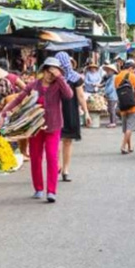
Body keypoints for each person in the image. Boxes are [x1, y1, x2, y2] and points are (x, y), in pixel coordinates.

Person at [0, 57, 73, 203]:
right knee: (36, 157)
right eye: (49, 72)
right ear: (44, 71)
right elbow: (18, 99)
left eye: (54, 73)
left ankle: (51, 191)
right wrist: (4, 111)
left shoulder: (59, 85)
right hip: (34, 127)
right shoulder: (34, 85)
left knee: (52, 157)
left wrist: (60, 78)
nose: (51, 75)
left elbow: (69, 95)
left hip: (53, 125)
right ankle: (38, 188)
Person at [55, 52, 91, 183]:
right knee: (56, 140)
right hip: (57, 111)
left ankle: (65, 170)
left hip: (70, 111)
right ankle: (57, 165)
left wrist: (86, 112)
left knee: (67, 140)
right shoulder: (54, 78)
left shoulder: (76, 78)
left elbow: (81, 96)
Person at [115, 59, 135, 154]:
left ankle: (130, 146)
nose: (134, 71)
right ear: (131, 68)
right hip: (132, 104)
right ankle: (123, 146)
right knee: (130, 127)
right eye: (134, 69)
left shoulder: (117, 76)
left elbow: (117, 89)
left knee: (126, 127)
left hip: (122, 104)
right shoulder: (132, 76)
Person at [102, 64, 119, 128]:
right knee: (110, 109)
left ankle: (113, 122)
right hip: (111, 95)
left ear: (112, 71)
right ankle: (112, 121)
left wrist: (105, 93)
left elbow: (111, 87)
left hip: (113, 95)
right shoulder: (110, 78)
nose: (107, 72)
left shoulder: (113, 77)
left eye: (108, 71)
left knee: (112, 109)